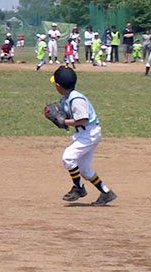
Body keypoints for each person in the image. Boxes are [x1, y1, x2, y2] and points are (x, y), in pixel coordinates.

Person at [47, 66, 117, 205]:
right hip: (85, 133)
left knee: (68, 157)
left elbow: (83, 119)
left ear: (58, 86)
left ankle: (78, 188)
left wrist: (63, 121)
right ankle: (106, 193)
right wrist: (56, 117)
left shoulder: (76, 99)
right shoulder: (66, 98)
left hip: (89, 133)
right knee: (84, 169)